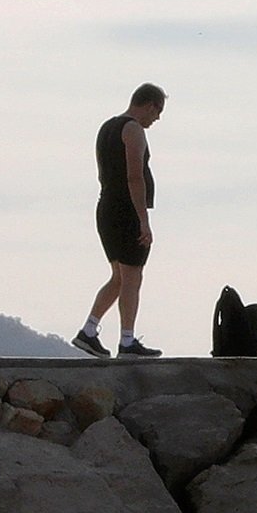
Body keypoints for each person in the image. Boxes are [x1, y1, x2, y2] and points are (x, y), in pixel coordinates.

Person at [74, 84, 166, 359]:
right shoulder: (133, 129)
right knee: (133, 276)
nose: (157, 119)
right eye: (157, 111)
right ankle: (127, 341)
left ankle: (88, 331)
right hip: (125, 210)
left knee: (119, 277)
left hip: (106, 208)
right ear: (149, 105)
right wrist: (143, 220)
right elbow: (134, 176)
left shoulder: (107, 127)